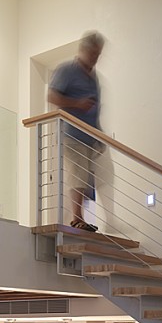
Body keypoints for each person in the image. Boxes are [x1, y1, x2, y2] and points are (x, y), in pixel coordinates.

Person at [48, 31, 106, 232]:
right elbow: (52, 96)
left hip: (89, 136)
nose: (95, 58)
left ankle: (78, 217)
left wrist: (98, 133)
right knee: (78, 175)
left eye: (98, 55)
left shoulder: (93, 77)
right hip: (72, 134)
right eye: (93, 54)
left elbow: (94, 108)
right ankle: (76, 218)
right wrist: (77, 104)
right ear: (84, 50)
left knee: (84, 178)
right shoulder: (67, 70)